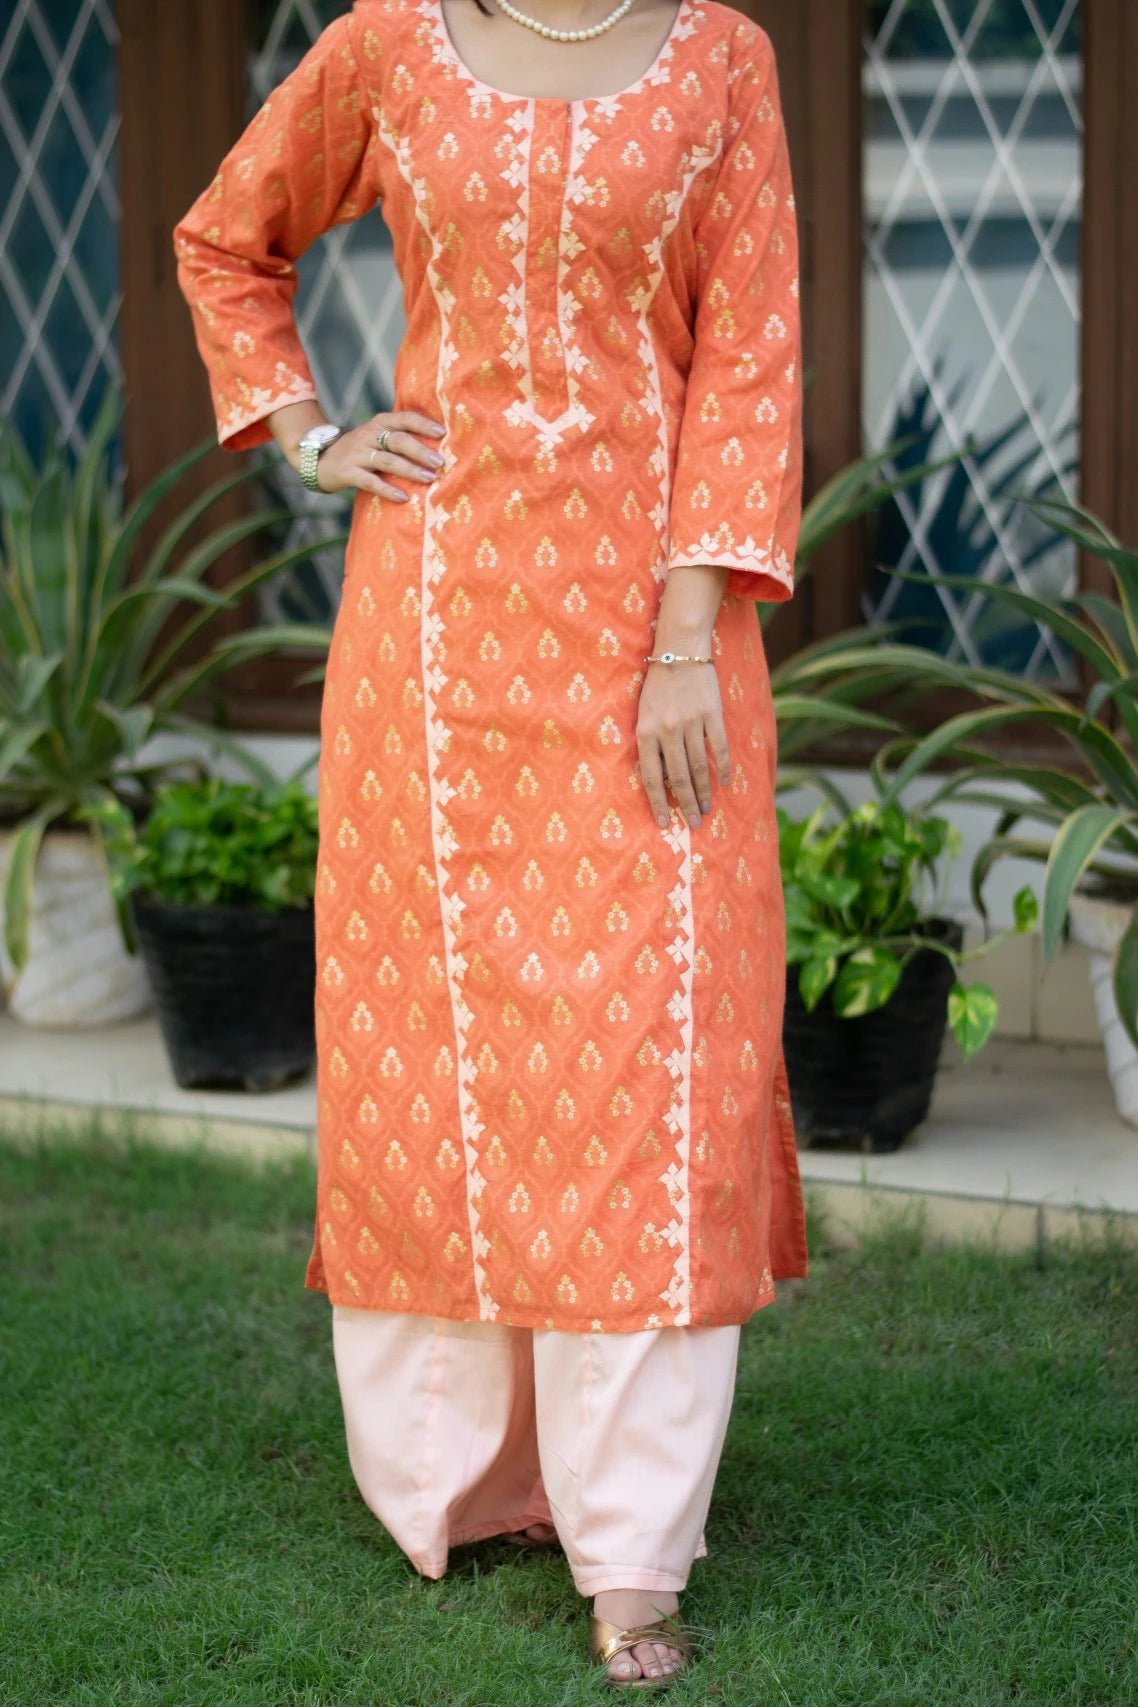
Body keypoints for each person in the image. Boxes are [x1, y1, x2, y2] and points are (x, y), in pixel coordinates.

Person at [175, 0, 808, 1686]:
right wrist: (312, 435)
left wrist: (685, 640)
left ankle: (632, 1549)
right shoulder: (388, 40)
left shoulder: (717, 55)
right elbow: (227, 239)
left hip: (649, 645)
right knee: (442, 1054)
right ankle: (461, 1482)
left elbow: (746, 359)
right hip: (435, 632)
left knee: (651, 1054)